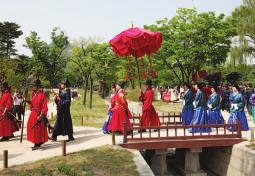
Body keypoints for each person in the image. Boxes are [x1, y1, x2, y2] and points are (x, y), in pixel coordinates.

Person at [26, 79, 49, 150]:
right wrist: (27, 101)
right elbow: (33, 104)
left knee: (37, 129)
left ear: (38, 87)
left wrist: (41, 116)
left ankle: (37, 143)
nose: (33, 87)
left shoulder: (42, 95)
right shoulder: (34, 94)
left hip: (38, 114)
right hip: (33, 114)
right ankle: (37, 142)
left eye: (34, 86)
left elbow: (44, 107)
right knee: (30, 127)